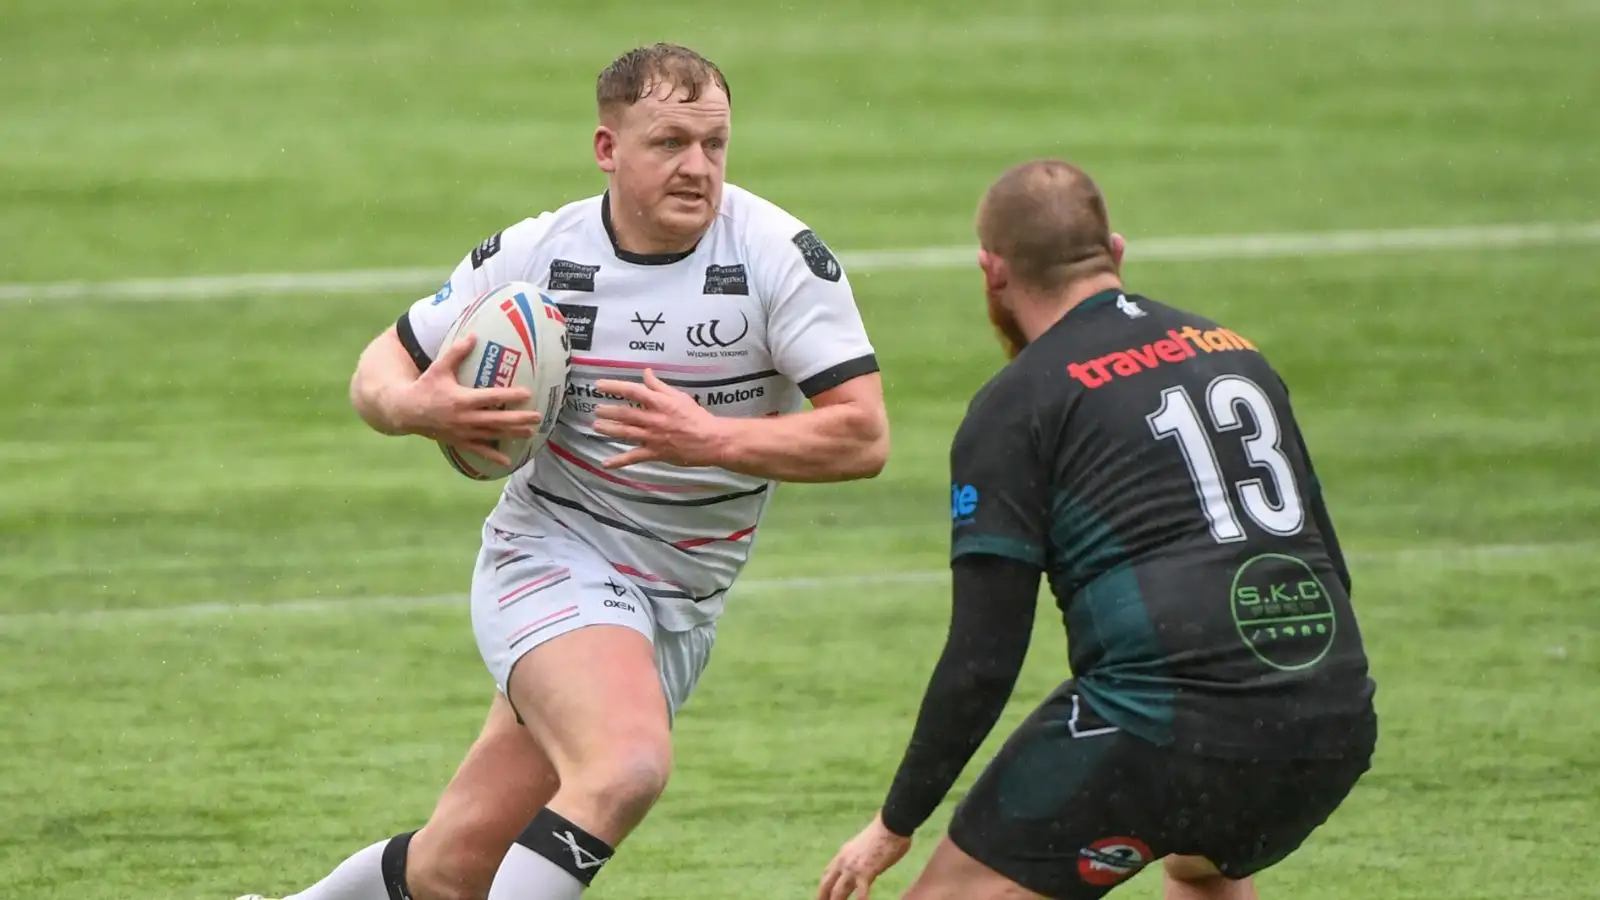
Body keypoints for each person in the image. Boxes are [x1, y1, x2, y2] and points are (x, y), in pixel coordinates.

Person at [239, 43, 889, 900]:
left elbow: (863, 436)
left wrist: (714, 441)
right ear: (607, 149)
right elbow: (378, 372)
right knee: (625, 766)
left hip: (681, 602)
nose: (698, 168)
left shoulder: (776, 257)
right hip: (552, 555)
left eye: (715, 144)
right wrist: (415, 409)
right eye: (669, 144)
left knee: (454, 867)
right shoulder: (542, 252)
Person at [817, 159, 1377, 900]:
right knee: (1202, 861)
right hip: (1330, 719)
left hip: (1167, 729)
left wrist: (896, 820)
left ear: (992, 273)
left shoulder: (1017, 404)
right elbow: (1329, 565)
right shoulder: (1236, 353)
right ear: (1114, 251)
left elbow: (984, 658)